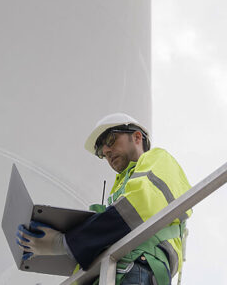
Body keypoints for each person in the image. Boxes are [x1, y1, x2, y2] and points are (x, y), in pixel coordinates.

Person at [16, 113, 191, 284]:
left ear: (137, 137)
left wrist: (64, 242)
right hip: (111, 273)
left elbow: (137, 207)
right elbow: (107, 236)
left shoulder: (158, 158)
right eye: (101, 150)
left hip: (138, 267)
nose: (106, 151)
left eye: (110, 139)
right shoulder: (119, 187)